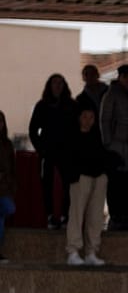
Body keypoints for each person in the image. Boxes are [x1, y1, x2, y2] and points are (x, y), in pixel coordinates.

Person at [29, 73, 77, 230]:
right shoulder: (42, 105)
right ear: (49, 86)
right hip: (48, 152)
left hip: (67, 152)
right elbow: (33, 130)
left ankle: (64, 216)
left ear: (64, 86)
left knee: (68, 185)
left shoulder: (71, 105)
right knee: (46, 185)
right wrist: (40, 149)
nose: (57, 86)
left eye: (60, 83)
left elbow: (77, 129)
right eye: (54, 83)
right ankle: (50, 216)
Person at [99, 63, 128, 231]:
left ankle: (124, 218)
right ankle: (116, 218)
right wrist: (108, 144)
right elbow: (105, 120)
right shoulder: (110, 96)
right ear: (119, 77)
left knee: (125, 185)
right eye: (125, 76)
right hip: (115, 147)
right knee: (115, 185)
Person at [65, 107, 109, 266]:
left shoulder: (97, 136)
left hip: (98, 178)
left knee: (95, 216)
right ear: (79, 118)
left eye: (91, 117)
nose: (88, 120)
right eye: (85, 116)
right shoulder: (72, 136)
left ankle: (91, 251)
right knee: (77, 214)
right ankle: (73, 251)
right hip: (80, 178)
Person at [0, 110, 16, 263]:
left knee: (8, 209)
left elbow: (12, 167)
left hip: (4, 188)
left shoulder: (7, 144)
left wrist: (12, 187)